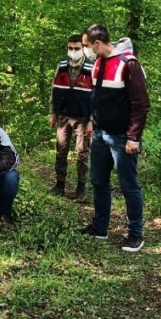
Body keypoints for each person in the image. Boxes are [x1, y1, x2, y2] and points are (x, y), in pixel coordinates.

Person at [80, 24, 151, 252]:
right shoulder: (97, 64)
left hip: (122, 137)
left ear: (97, 44)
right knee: (99, 181)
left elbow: (140, 104)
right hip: (101, 134)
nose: (85, 51)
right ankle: (100, 228)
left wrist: (133, 137)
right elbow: (96, 97)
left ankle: (135, 234)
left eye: (86, 46)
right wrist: (92, 120)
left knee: (128, 185)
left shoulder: (129, 64)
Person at [48, 34, 93, 200]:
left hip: (83, 117)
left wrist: (92, 121)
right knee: (61, 151)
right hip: (63, 116)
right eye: (70, 48)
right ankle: (60, 184)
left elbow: (97, 96)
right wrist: (52, 112)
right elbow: (54, 90)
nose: (73, 51)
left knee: (82, 153)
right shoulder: (61, 65)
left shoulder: (91, 67)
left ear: (83, 49)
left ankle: (81, 188)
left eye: (77, 48)